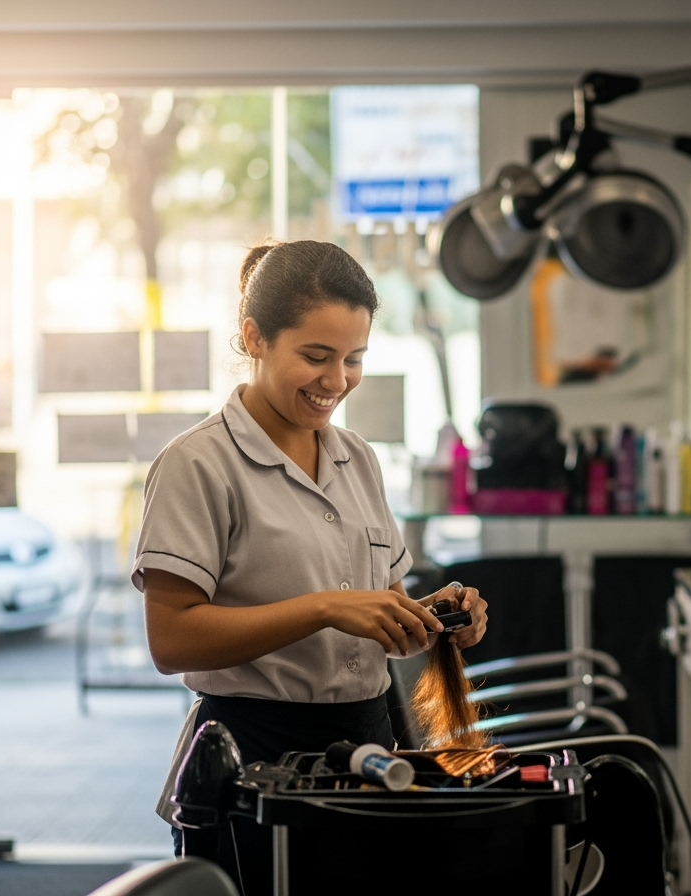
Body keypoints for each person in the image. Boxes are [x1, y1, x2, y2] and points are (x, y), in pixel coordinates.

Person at [131, 239, 488, 878]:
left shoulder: (360, 459)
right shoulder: (198, 465)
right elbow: (171, 639)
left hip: (371, 747)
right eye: (316, 356)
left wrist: (433, 616)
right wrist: (322, 609)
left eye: (354, 359)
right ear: (255, 337)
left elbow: (383, 618)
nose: (337, 381)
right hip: (253, 758)